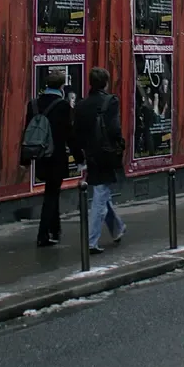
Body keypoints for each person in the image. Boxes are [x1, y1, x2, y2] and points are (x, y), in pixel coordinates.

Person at [25, 70, 83, 247]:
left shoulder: (33, 104)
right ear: (61, 86)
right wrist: (79, 158)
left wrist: (25, 158)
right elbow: (69, 135)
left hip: (40, 155)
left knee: (52, 191)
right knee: (51, 194)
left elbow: (28, 131)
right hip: (56, 156)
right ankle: (43, 234)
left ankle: (55, 229)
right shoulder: (63, 106)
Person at [74, 67, 126, 255]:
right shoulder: (110, 102)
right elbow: (114, 129)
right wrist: (121, 145)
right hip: (106, 154)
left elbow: (76, 134)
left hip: (91, 154)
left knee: (102, 193)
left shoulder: (81, 105)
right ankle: (91, 241)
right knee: (100, 197)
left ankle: (117, 228)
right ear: (105, 82)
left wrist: (81, 156)